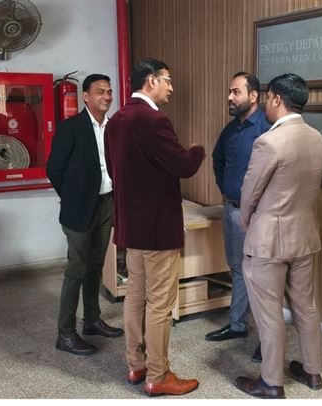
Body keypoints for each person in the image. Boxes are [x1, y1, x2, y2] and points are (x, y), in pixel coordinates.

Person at [105, 57, 205, 397]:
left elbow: (114, 170)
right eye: (168, 80)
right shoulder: (154, 120)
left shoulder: (116, 120)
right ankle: (159, 375)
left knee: (135, 296)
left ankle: (136, 365)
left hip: (131, 228)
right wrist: (197, 151)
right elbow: (182, 165)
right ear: (151, 80)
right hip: (158, 230)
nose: (171, 87)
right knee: (160, 304)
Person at [234, 73, 322, 399]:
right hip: (304, 237)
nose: (266, 105)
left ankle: (271, 382)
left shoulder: (269, 142)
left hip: (268, 241)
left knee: (269, 312)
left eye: (268, 99)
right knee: (306, 306)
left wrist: (247, 223)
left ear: (276, 99)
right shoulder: (317, 138)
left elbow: (249, 193)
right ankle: (313, 371)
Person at [46, 73, 123, 356]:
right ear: (86, 96)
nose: (107, 96)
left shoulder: (113, 127)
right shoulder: (71, 128)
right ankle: (65, 334)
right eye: (100, 91)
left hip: (106, 204)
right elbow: (54, 169)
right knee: (77, 269)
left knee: (95, 266)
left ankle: (92, 320)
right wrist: (72, 198)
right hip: (78, 209)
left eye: (109, 92)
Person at [205, 72, 270, 364]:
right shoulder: (231, 129)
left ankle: (268, 340)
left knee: (262, 275)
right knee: (237, 268)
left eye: (236, 92)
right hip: (232, 209)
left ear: (253, 96)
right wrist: (225, 187)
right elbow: (217, 159)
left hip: (258, 214)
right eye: (230, 92)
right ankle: (237, 325)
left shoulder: (267, 126)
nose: (230, 97)